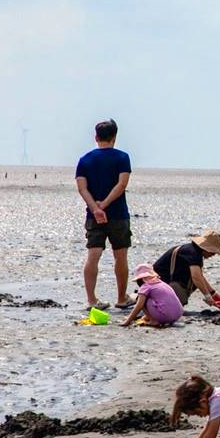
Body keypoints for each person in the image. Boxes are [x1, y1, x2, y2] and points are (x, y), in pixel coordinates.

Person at [75, 119, 133, 311]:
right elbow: (122, 184)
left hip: (93, 215)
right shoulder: (122, 157)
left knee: (93, 255)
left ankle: (91, 300)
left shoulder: (85, 160)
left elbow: (82, 188)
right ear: (114, 137)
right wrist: (105, 205)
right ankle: (122, 297)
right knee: (121, 255)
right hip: (117, 213)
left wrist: (95, 208)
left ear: (96, 137)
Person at [152, 231, 220, 307]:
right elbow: (196, 277)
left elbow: (200, 276)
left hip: (158, 284)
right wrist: (207, 296)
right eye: (213, 252)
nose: (213, 255)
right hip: (157, 284)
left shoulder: (192, 250)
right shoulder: (193, 253)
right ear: (207, 248)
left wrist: (213, 293)